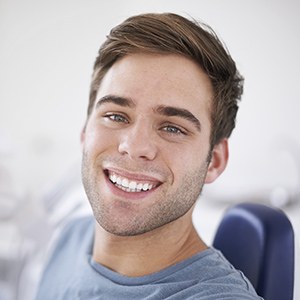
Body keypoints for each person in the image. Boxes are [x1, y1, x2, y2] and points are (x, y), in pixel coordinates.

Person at [34, 13, 263, 299]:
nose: (134, 146)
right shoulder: (70, 238)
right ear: (85, 130)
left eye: (172, 128)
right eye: (116, 116)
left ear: (214, 161)